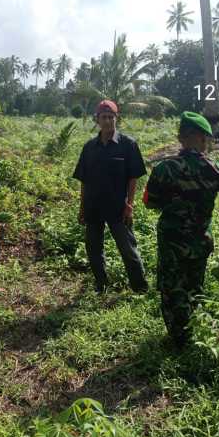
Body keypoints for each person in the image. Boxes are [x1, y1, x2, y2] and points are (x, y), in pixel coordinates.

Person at [144, 111, 219, 349]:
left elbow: (150, 203)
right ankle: (195, 332)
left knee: (172, 288)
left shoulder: (165, 169)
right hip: (200, 238)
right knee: (194, 285)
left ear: (182, 138)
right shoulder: (218, 169)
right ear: (202, 139)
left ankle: (178, 338)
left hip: (172, 240)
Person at [73, 99, 149, 293]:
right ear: (97, 120)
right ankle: (101, 286)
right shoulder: (89, 147)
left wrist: (129, 205)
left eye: (111, 117)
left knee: (128, 249)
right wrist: (82, 208)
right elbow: (84, 180)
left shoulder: (128, 145)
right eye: (103, 117)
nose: (107, 121)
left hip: (118, 208)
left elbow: (133, 178)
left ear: (117, 119)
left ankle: (139, 288)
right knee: (93, 250)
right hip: (93, 207)